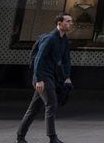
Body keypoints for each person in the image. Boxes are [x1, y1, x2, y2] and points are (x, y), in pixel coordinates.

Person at [15, 13, 74, 143]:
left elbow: (66, 60)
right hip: (43, 77)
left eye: (71, 21)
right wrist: (39, 79)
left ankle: (20, 136)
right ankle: (52, 137)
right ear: (59, 23)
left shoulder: (64, 40)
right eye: (68, 21)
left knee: (34, 108)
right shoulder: (50, 39)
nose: (71, 24)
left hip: (51, 76)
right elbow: (39, 59)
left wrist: (67, 77)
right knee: (52, 103)